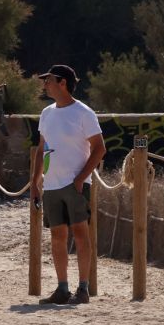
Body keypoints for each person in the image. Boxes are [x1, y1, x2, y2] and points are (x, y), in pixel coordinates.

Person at [32, 63, 104, 306]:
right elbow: (41, 149)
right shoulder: (46, 113)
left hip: (75, 185)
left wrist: (80, 179)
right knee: (56, 236)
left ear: (62, 82)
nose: (46, 85)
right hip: (51, 185)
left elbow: (99, 148)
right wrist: (35, 182)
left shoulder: (84, 113)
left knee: (81, 235)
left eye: (49, 80)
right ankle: (62, 288)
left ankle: (82, 288)